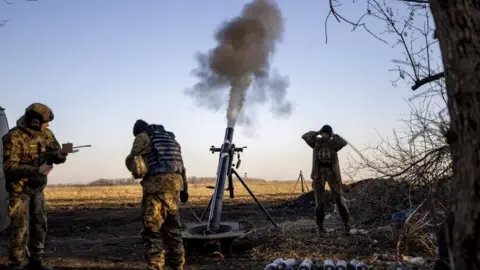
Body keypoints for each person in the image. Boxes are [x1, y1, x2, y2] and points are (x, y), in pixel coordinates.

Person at [2, 103, 68, 270]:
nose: (48, 125)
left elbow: (56, 151)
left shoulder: (46, 134)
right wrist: (36, 170)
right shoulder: (14, 136)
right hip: (19, 190)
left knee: (40, 225)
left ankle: (36, 261)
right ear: (35, 121)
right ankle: (16, 264)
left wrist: (60, 155)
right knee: (20, 229)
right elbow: (10, 168)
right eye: (45, 122)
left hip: (37, 189)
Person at [125, 119, 189, 270]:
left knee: (152, 231)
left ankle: (156, 266)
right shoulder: (172, 140)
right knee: (174, 232)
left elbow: (132, 159)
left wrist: (134, 164)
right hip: (174, 190)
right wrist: (185, 190)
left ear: (140, 130)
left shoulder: (143, 137)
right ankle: (177, 266)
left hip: (155, 190)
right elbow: (181, 167)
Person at [301, 124, 351, 235]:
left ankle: (347, 224)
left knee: (338, 198)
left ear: (329, 134)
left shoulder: (333, 144)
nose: (324, 135)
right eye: (323, 133)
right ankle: (320, 227)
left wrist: (333, 135)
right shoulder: (316, 143)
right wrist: (317, 132)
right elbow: (305, 136)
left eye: (326, 133)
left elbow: (343, 142)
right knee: (319, 201)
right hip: (318, 174)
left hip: (332, 173)